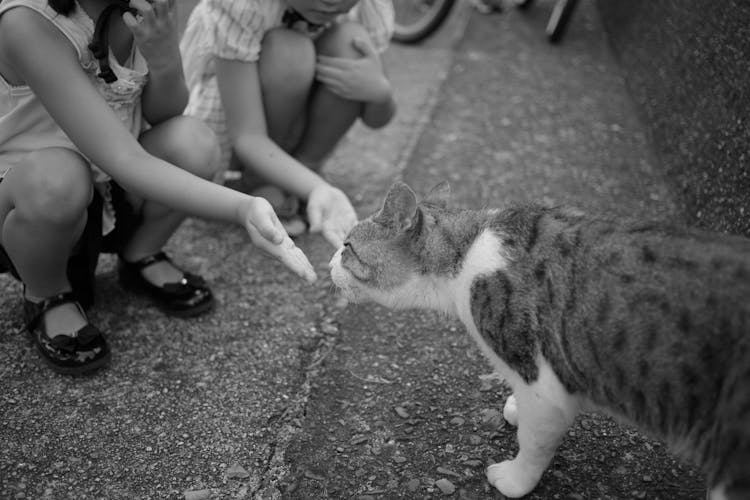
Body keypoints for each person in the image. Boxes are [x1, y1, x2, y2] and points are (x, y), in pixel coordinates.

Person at [0, 0, 317, 376]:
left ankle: (141, 256)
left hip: (108, 184)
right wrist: (242, 207)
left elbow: (164, 115)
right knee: (57, 180)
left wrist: (164, 55)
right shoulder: (26, 22)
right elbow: (126, 161)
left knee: (194, 141)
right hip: (28, 200)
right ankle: (46, 292)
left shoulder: (142, 5)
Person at [180, 0, 396, 247]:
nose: (331, 5)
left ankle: (304, 171)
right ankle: (261, 179)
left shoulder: (368, 5)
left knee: (351, 41)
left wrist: (380, 91)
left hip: (290, 118)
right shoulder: (241, 5)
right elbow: (247, 136)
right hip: (233, 121)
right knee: (289, 51)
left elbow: (378, 119)